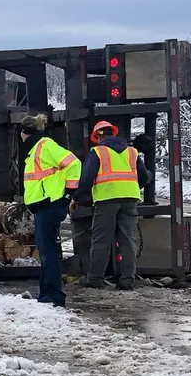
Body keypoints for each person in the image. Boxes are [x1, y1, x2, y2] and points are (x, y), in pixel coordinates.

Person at [70, 120, 151, 290]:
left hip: (107, 200)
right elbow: (144, 176)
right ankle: (127, 280)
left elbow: (86, 179)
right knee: (128, 240)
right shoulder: (132, 152)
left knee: (102, 240)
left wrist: (76, 198)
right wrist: (132, 188)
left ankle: (95, 279)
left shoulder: (98, 152)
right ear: (112, 133)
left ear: (99, 136)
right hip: (130, 199)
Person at [20, 113, 81, 307]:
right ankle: (46, 293)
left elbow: (73, 163)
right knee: (47, 251)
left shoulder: (45, 146)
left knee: (48, 253)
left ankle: (53, 296)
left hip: (49, 205)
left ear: (25, 132)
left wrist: (70, 191)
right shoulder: (37, 148)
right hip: (44, 206)